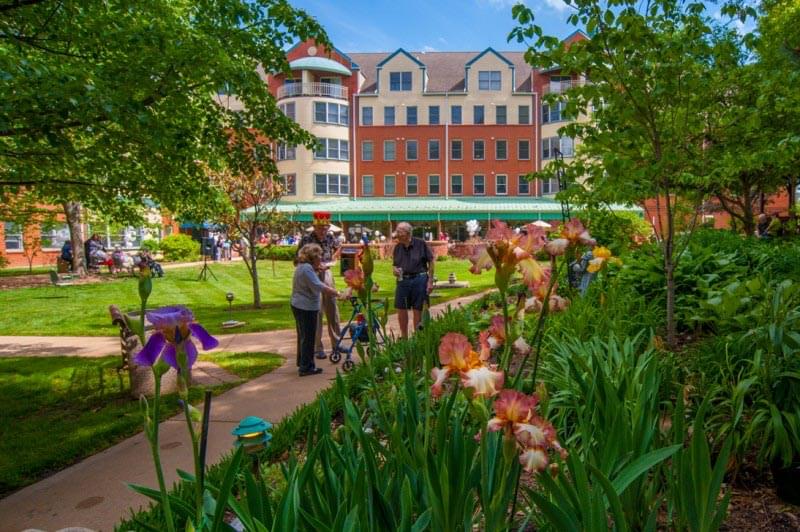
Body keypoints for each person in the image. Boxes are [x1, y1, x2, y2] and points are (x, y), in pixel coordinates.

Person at [297, 211, 341, 359]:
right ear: (314, 227)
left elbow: (338, 247)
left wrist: (333, 259)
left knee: (332, 309)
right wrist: (315, 267)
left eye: (325, 228)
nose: (323, 231)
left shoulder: (330, 237)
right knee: (317, 311)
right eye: (320, 228)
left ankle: (337, 343)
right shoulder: (306, 239)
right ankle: (318, 347)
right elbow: (298, 259)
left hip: (327, 272)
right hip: (313, 274)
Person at [292, 243, 338, 376]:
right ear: (312, 257)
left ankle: (303, 362)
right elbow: (318, 286)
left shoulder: (304, 267)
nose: (321, 259)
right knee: (308, 338)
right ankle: (306, 368)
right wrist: (337, 292)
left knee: (304, 336)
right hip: (305, 307)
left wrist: (320, 270)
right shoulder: (306, 269)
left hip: (299, 305)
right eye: (319, 257)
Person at [392, 222, 434, 338]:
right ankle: (404, 338)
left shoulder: (420, 244)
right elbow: (395, 265)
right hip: (402, 280)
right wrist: (394, 270)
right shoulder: (397, 247)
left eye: (399, 232)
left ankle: (418, 338)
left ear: (407, 233)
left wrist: (430, 281)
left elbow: (431, 261)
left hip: (419, 279)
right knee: (401, 307)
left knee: (418, 308)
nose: (397, 235)